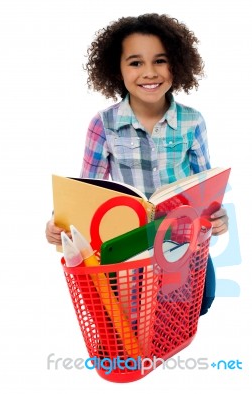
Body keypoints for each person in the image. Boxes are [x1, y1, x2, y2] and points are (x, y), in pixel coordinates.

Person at [46, 13, 228, 315]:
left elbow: (205, 188)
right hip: (128, 240)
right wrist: (58, 224)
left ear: (176, 65)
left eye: (160, 60)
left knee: (202, 301)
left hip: (180, 235)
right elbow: (85, 188)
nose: (149, 72)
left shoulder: (192, 121)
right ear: (117, 70)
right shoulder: (103, 124)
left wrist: (217, 216)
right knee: (121, 311)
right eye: (135, 62)